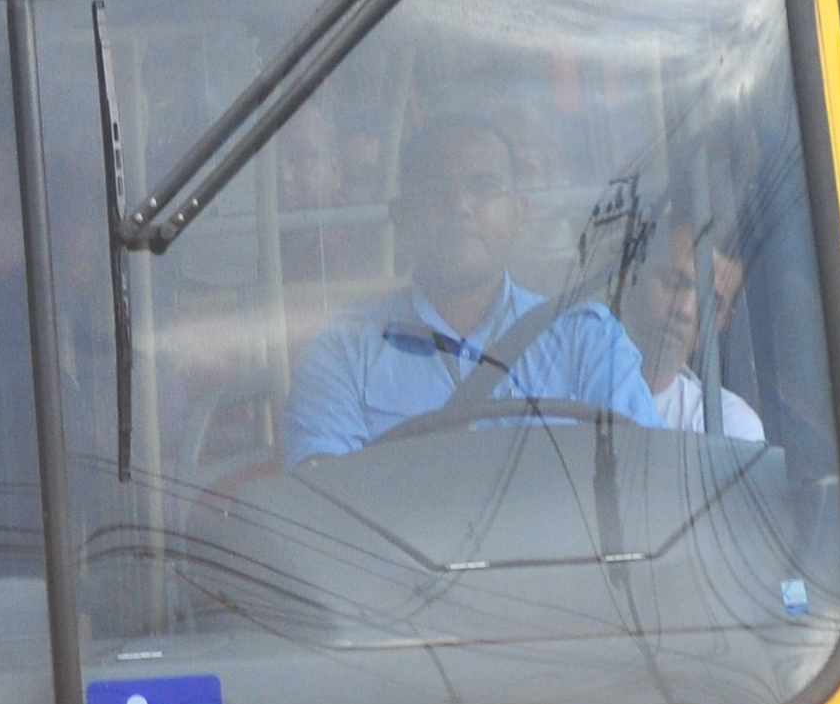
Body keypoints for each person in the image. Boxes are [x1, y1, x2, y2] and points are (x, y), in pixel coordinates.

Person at [282, 114, 659, 463]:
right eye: (436, 190)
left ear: (519, 213)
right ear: (401, 217)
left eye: (484, 187)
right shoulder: (343, 352)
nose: (460, 205)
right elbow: (323, 494)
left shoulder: (587, 340)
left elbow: (645, 473)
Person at [627, 217, 766, 441]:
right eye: (673, 282)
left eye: (711, 304)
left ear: (722, 322)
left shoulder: (728, 427)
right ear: (634, 277)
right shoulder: (569, 381)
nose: (685, 310)